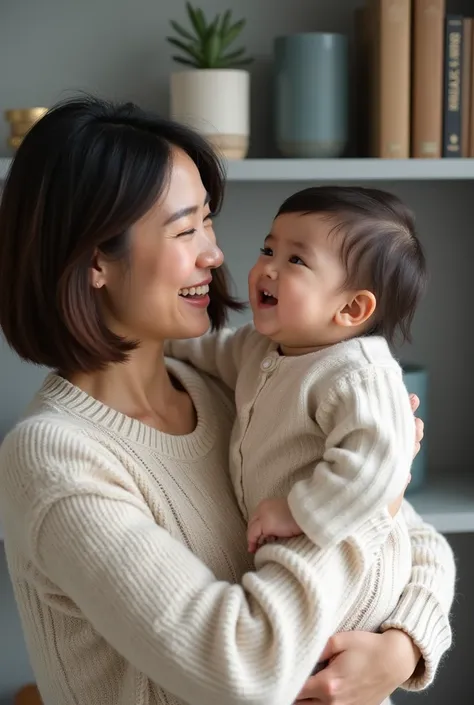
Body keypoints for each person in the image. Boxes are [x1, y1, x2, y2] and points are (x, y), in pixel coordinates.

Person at [0, 97, 454, 705]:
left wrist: (401, 648)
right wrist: (376, 493)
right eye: (185, 229)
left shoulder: (236, 387)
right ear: (94, 261)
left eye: (207, 221)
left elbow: (421, 544)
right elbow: (244, 669)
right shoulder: (54, 460)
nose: (214, 254)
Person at [164, 185, 425, 639]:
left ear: (352, 307)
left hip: (358, 573)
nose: (268, 268)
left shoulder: (359, 373)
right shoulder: (261, 346)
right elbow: (210, 350)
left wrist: (297, 512)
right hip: (296, 571)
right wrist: (158, 341)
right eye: (269, 249)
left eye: (296, 261)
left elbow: (378, 466)